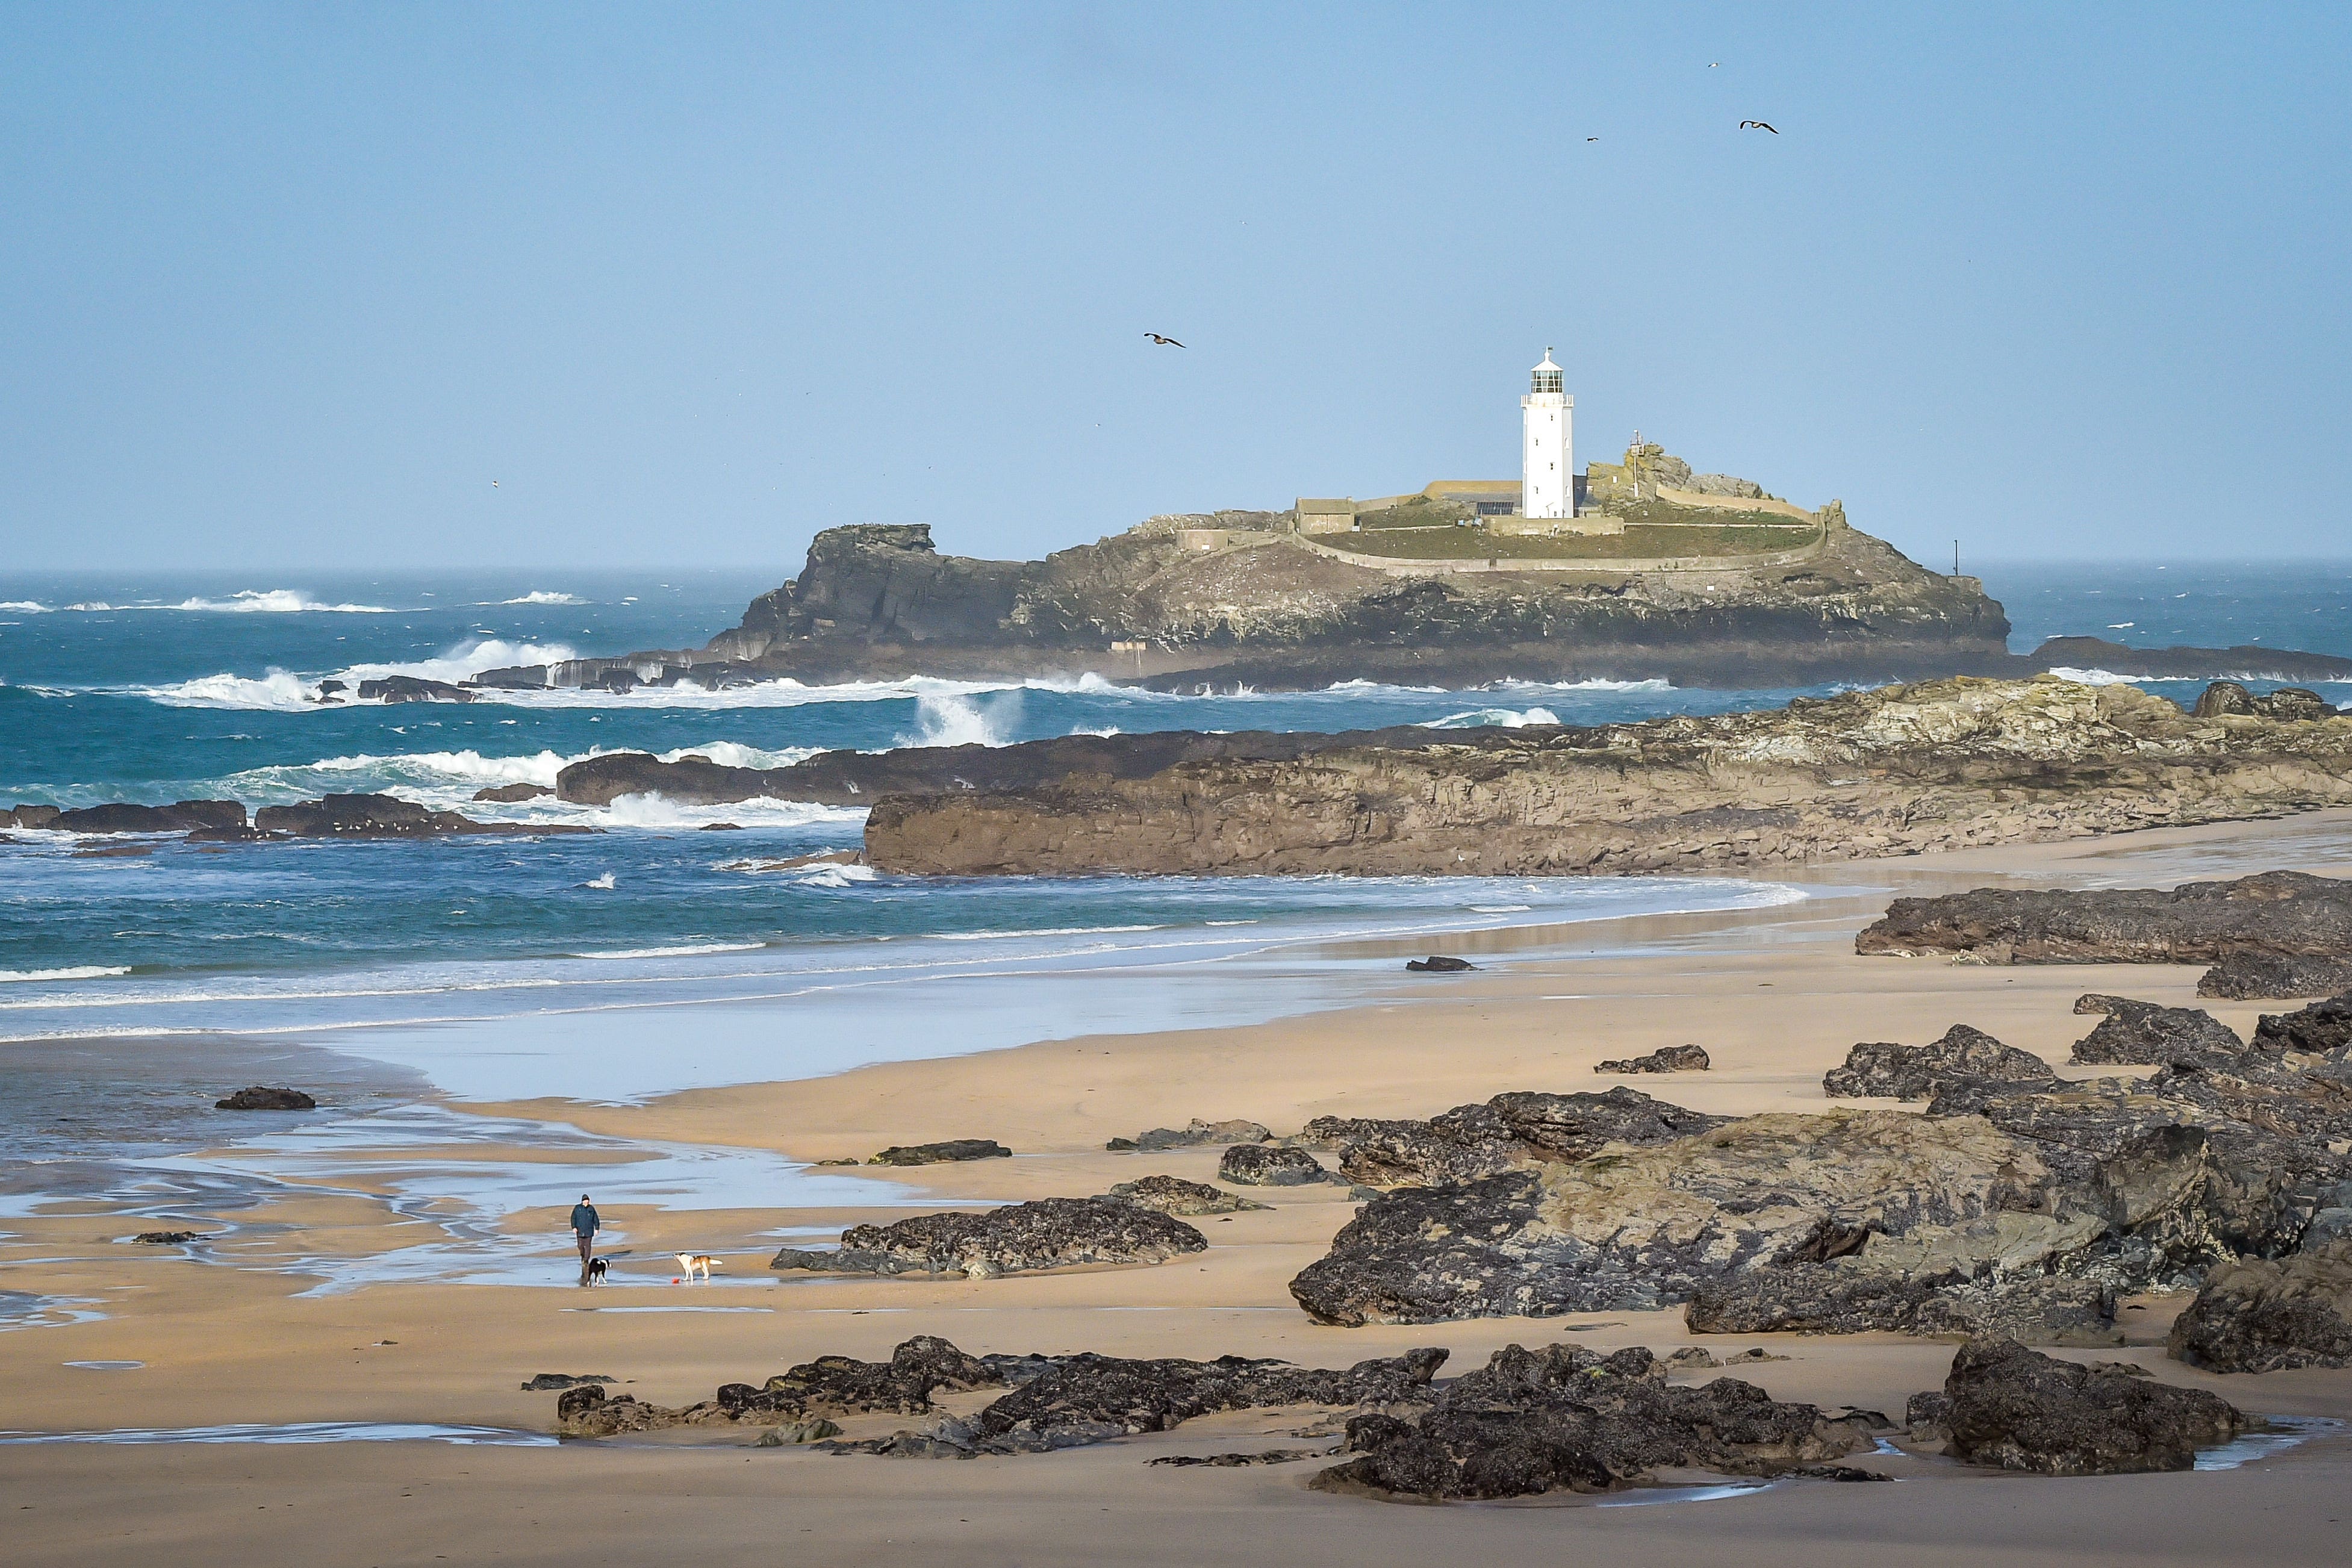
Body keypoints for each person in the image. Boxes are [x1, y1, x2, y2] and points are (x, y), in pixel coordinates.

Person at [569, 1193, 601, 1282]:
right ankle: (583, 1256)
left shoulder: (591, 1209)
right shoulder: (577, 1208)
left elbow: (596, 1219)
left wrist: (597, 1228)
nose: (586, 1202)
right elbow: (573, 1218)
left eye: (587, 1200)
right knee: (580, 1245)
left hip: (589, 1231)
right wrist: (574, 1227)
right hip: (580, 1231)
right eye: (585, 1200)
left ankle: (586, 1260)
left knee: (588, 1246)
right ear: (582, 1201)